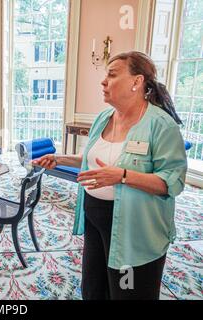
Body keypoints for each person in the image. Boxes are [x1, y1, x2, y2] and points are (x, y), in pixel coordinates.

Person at [32, 51, 188, 300]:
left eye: (112, 75)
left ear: (137, 82)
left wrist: (123, 176)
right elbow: (92, 160)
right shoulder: (104, 118)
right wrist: (60, 159)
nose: (103, 81)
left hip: (134, 227)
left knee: (127, 292)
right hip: (95, 216)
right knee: (94, 289)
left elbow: (173, 182)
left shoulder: (161, 124)